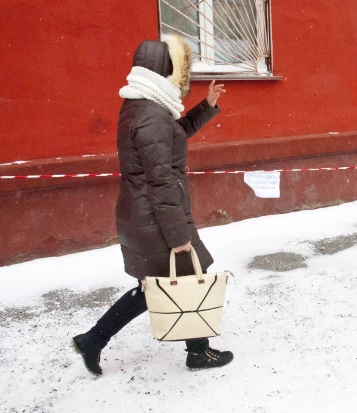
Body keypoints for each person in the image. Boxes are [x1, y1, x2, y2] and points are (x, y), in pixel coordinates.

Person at [72, 35, 233, 375]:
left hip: (145, 213)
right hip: (157, 215)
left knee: (158, 285)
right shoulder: (151, 115)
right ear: (167, 71)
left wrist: (206, 106)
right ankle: (197, 352)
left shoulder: (145, 107)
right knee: (185, 276)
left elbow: (174, 136)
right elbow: (160, 181)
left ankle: (93, 340)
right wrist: (178, 236)